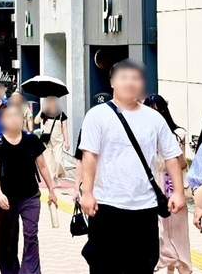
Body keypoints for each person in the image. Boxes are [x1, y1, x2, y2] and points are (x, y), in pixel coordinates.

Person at [79, 59, 185, 274]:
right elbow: (89, 155)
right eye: (124, 77)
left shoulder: (154, 118)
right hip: (106, 204)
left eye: (135, 78)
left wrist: (179, 192)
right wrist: (87, 192)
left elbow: (172, 156)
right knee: (103, 265)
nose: (130, 82)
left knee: (142, 265)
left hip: (144, 207)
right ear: (112, 82)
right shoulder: (97, 115)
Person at [0, 104, 58, 274]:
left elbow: (42, 166)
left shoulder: (31, 140)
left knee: (31, 234)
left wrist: (51, 190)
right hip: (7, 198)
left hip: (30, 195)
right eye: (10, 116)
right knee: (7, 238)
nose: (15, 119)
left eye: (17, 116)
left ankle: (30, 271)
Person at [142, 94, 191, 274]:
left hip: (172, 183)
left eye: (157, 110)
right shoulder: (142, 133)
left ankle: (180, 265)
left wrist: (174, 150)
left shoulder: (178, 133)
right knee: (158, 228)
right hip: (153, 185)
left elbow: (183, 164)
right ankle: (161, 260)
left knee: (177, 229)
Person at [73, 93, 112, 202]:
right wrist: (76, 187)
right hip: (95, 189)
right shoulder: (86, 129)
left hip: (117, 189)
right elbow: (80, 159)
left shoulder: (120, 129)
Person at [34, 96, 69, 187]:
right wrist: (41, 110)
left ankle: (57, 176)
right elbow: (36, 121)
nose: (50, 103)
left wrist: (66, 141)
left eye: (51, 101)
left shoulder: (61, 115)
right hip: (47, 141)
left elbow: (64, 128)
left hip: (58, 141)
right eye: (48, 101)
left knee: (58, 161)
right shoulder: (45, 113)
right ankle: (53, 180)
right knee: (49, 161)